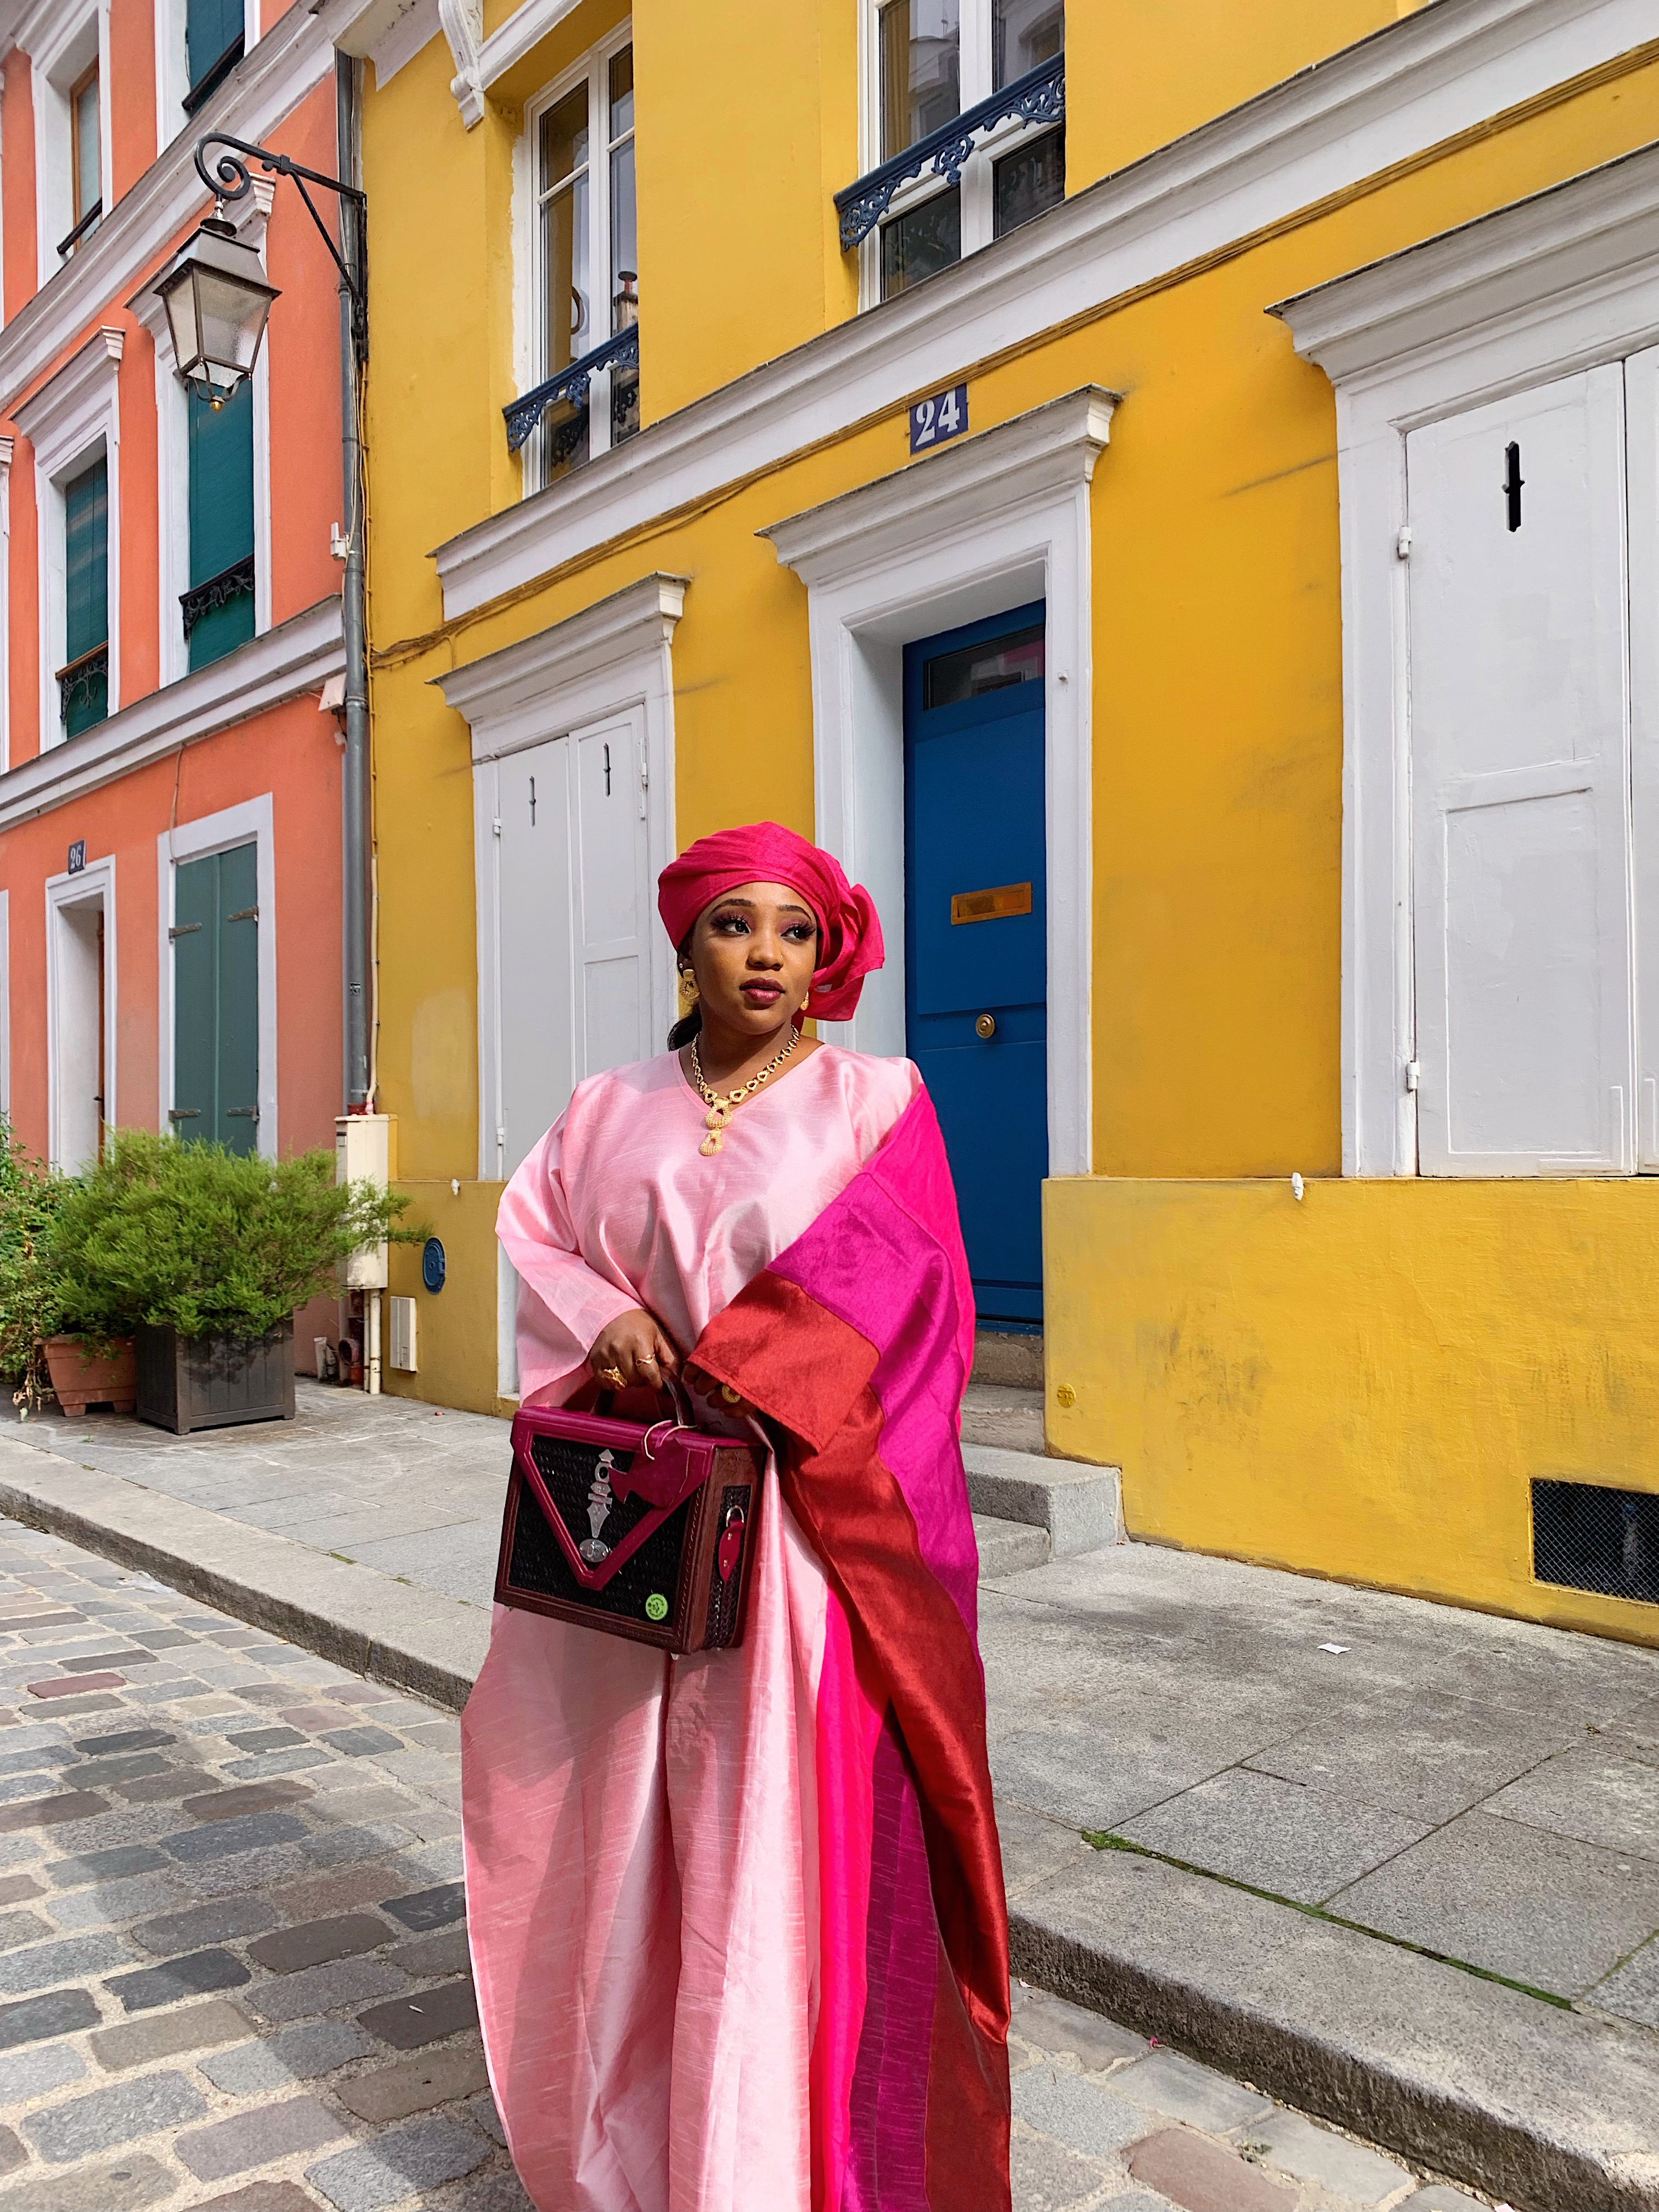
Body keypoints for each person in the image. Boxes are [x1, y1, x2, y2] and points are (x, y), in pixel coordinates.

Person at [461, 821, 1011, 2212]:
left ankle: (756, 2157)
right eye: (734, 924)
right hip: (635, 1526)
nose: (766, 953)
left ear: (825, 958)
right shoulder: (605, 1106)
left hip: (797, 1532)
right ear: (687, 944)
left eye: (795, 931)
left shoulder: (876, 1100)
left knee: (764, 1831)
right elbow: (536, 1236)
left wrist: (741, 1370)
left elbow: (912, 1293)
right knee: (619, 1824)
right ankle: (628, 2132)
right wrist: (605, 1316)